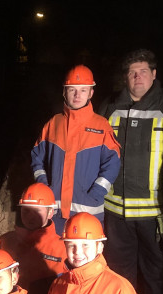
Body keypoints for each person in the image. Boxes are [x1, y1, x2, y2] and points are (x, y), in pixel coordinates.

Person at [99, 49, 163, 294]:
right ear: (126, 77)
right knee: (118, 268)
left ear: (154, 74)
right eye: (133, 72)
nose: (138, 77)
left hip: (153, 210)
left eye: (143, 71)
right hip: (115, 208)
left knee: (155, 268)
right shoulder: (109, 106)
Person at [31, 65, 120, 233]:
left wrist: (96, 193)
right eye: (72, 89)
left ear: (91, 93)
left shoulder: (102, 126)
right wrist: (44, 187)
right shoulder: (52, 124)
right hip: (53, 212)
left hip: (88, 213)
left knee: (85, 259)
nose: (77, 95)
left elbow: (112, 164)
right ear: (64, 92)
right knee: (52, 257)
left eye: (83, 90)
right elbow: (37, 158)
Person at [0, 183, 67, 294]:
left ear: (50, 212)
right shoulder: (6, 241)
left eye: (37, 210)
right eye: (26, 210)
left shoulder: (62, 249)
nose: (30, 216)